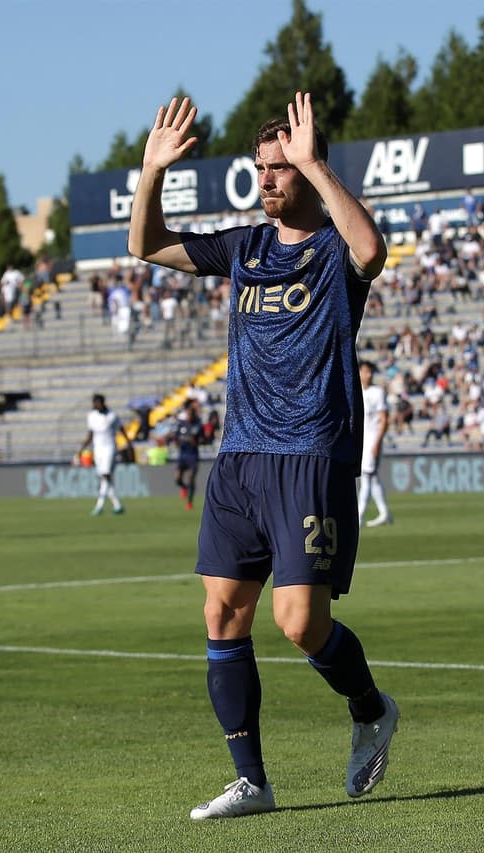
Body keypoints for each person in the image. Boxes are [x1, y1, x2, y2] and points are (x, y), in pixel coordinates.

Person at [128, 93, 398, 820]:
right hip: (240, 455)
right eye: (261, 167)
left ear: (308, 172)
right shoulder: (244, 247)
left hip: (310, 453)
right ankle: (252, 779)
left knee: (300, 623)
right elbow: (146, 245)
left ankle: (371, 709)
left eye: (280, 168)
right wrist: (150, 171)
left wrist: (315, 161)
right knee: (222, 614)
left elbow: (374, 250)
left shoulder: (335, 253)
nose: (267, 179)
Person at [357, 361, 392, 527]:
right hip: (361, 439)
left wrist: (377, 442)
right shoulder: (356, 391)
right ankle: (385, 513)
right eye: (365, 371)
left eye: (370, 372)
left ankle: (359, 514)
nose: (368, 375)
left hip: (372, 439)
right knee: (374, 479)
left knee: (366, 478)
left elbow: (384, 420)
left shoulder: (377, 393)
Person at [78, 394, 125, 516]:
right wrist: (81, 449)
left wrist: (128, 444)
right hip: (97, 449)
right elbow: (90, 434)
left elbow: (121, 429)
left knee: (105, 475)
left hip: (109, 448)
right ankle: (117, 505)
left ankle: (100, 506)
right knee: (105, 478)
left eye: (96, 403)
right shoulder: (91, 416)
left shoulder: (112, 415)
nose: (94, 405)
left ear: (102, 403)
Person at [173, 400, 207, 511]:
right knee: (177, 478)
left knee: (191, 478)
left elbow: (204, 440)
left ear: (193, 415)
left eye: (190, 415)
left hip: (192, 456)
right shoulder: (181, 425)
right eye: (187, 414)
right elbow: (176, 438)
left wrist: (196, 442)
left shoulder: (198, 425)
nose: (188, 417)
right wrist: (176, 443)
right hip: (183, 455)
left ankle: (189, 502)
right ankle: (183, 487)